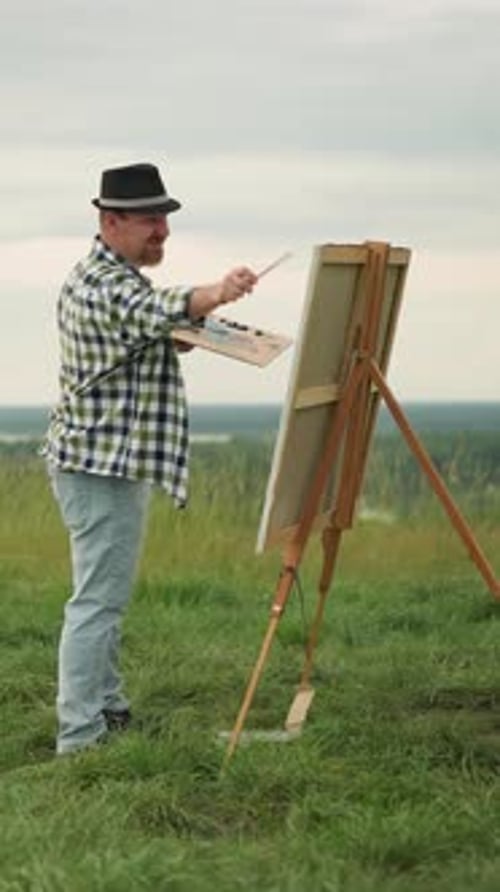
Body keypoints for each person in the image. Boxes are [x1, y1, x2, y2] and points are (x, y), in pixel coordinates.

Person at [43, 162, 257, 755]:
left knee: (104, 596)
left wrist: (203, 326)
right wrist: (217, 292)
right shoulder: (105, 284)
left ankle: (109, 713)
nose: (161, 230)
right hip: (98, 466)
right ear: (110, 221)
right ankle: (80, 738)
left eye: (164, 218)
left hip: (111, 462)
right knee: (97, 602)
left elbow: (151, 331)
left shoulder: (118, 277)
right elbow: (157, 311)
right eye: (148, 220)